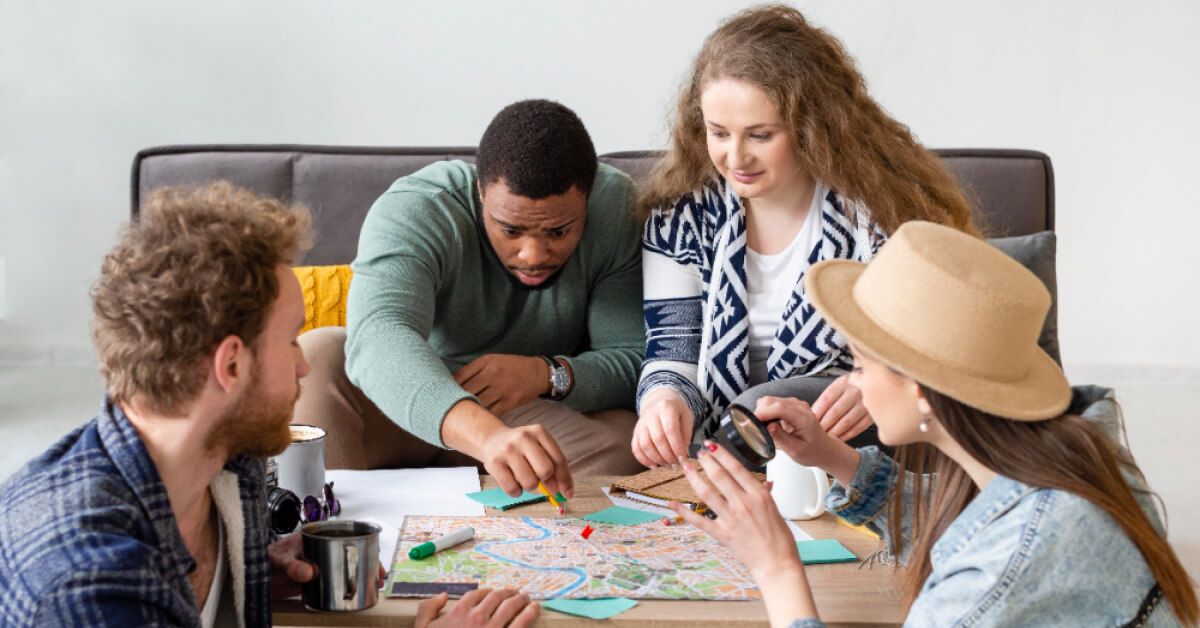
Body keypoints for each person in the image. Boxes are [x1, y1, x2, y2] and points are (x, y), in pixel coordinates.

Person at [0, 183, 539, 628]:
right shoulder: (90, 591)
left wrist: (249, 572)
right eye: (291, 341)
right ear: (231, 365)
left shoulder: (228, 465)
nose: (305, 365)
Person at [670, 221, 1198, 626]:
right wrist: (836, 458)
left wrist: (777, 569)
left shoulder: (997, 578)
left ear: (920, 386)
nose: (852, 383)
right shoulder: (1078, 456)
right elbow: (980, 526)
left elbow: (997, 559)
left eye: (858, 366)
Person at [634, 4, 980, 469]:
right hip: (729, 429)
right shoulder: (682, 216)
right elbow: (674, 342)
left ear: (811, 127)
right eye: (718, 132)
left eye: (760, 135)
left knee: (763, 409)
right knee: (748, 417)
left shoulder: (877, 212)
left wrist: (879, 377)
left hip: (849, 418)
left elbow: (937, 330)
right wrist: (664, 400)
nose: (735, 156)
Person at [295, 99, 645, 499]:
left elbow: (632, 357)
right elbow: (380, 334)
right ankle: (337, 535)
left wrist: (546, 374)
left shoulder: (616, 206)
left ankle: (500, 524)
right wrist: (485, 436)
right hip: (411, 403)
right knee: (318, 357)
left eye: (558, 232)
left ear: (588, 196)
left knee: (626, 440)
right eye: (511, 230)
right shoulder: (420, 206)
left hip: (532, 416)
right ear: (480, 191)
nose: (532, 254)